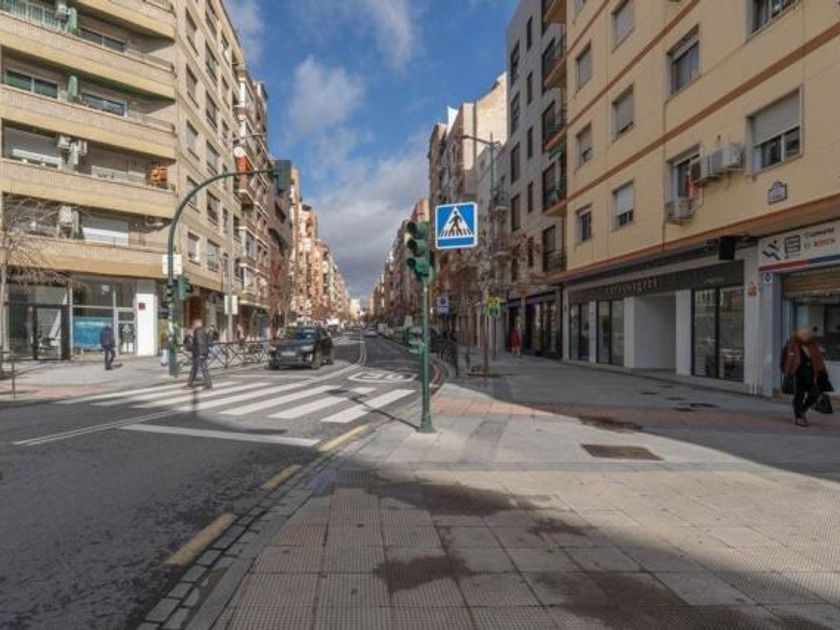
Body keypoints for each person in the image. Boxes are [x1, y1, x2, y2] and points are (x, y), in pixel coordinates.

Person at [781, 328, 828, 427]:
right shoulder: (791, 345)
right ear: (799, 336)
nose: (807, 336)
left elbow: (818, 359)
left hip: (811, 374)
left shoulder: (812, 345)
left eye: (808, 335)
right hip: (798, 374)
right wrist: (787, 373)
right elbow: (784, 360)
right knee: (799, 395)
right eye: (805, 334)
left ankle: (803, 409)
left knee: (815, 393)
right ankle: (799, 417)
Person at [186, 318, 212, 389]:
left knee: (203, 369)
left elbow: (200, 343)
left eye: (194, 324)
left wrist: (200, 354)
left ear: (197, 324)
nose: (193, 325)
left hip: (199, 353)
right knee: (195, 368)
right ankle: (190, 383)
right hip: (201, 352)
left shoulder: (197, 331)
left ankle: (208, 385)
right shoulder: (203, 330)